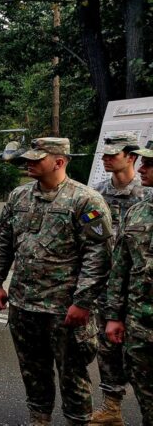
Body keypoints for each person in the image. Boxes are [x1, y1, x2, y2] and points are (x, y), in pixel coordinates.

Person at [0, 137, 113, 426]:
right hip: (24, 305)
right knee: (33, 372)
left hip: (64, 309)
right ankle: (39, 420)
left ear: (59, 161)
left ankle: (77, 421)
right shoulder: (19, 196)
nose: (29, 162)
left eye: (37, 158)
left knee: (73, 375)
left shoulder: (85, 200)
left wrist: (82, 302)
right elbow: (3, 241)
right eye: (29, 157)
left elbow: (99, 255)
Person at [92, 131, 149, 425]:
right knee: (108, 346)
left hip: (142, 286)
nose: (107, 159)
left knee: (143, 356)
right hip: (108, 283)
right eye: (105, 154)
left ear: (131, 157)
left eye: (114, 154)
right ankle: (112, 406)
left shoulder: (147, 194)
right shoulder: (98, 193)